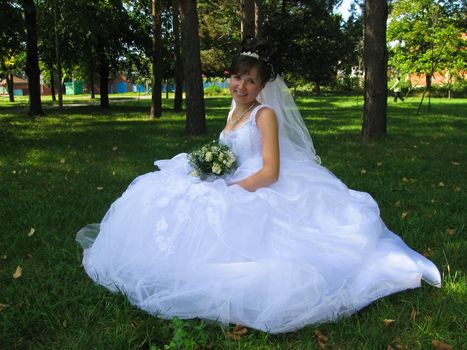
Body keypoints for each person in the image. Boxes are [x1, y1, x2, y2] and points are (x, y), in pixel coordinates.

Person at [76, 38, 441, 334]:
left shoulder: (263, 115)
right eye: (237, 77)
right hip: (228, 174)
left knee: (220, 213)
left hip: (257, 183)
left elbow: (270, 172)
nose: (241, 85)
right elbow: (226, 149)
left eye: (250, 80)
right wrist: (210, 167)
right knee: (161, 191)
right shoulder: (234, 111)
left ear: (263, 86)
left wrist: (232, 187)